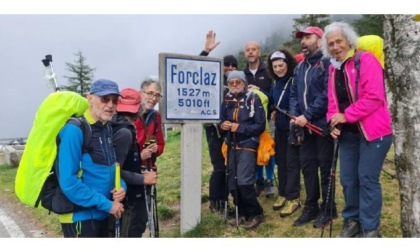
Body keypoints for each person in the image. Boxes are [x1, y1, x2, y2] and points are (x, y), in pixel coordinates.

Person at [323, 21, 393, 238]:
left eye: (339, 41)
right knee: (348, 179)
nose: (335, 47)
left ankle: (371, 228)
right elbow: (332, 104)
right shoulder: (334, 70)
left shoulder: (365, 60)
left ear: (349, 41)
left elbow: (374, 97)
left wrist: (346, 115)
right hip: (349, 135)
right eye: (331, 44)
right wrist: (333, 123)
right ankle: (352, 220)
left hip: (374, 132)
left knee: (367, 178)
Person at [58, 79, 126, 237]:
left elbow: (112, 168)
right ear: (90, 99)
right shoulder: (74, 130)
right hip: (80, 218)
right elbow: (69, 182)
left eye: (114, 101)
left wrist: (122, 188)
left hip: (102, 213)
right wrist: (107, 204)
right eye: (104, 99)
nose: (110, 105)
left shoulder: (106, 128)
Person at [289, 26, 337, 228]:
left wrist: (307, 115)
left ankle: (328, 208)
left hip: (323, 127)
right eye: (302, 38)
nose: (303, 41)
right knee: (308, 168)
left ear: (320, 40)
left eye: (308, 37)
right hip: (305, 128)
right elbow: (294, 94)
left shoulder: (327, 64)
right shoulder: (300, 67)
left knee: (326, 169)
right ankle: (311, 206)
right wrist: (295, 116)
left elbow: (327, 94)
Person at [220, 70, 266, 230]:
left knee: (244, 182)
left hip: (248, 143)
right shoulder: (226, 100)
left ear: (244, 83)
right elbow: (221, 119)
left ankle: (256, 213)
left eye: (237, 82)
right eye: (231, 82)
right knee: (232, 183)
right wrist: (223, 125)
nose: (234, 85)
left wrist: (239, 128)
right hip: (231, 145)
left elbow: (260, 125)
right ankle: (244, 212)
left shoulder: (253, 98)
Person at [110, 88, 158, 237]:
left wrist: (138, 170)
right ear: (139, 108)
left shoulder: (114, 125)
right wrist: (143, 178)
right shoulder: (124, 132)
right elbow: (114, 170)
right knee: (132, 231)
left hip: (124, 194)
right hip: (128, 197)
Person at [199, 30, 238, 213]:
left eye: (233, 66)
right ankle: (216, 203)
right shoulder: (212, 80)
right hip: (215, 130)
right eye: (226, 66)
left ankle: (226, 202)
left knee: (230, 167)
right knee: (220, 168)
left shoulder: (238, 85)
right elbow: (196, 69)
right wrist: (206, 52)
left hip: (233, 131)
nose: (230, 68)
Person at [267, 49, 302, 218]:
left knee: (291, 163)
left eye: (281, 65)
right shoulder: (276, 83)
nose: (279, 69)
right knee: (280, 162)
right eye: (275, 66)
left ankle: (293, 197)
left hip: (292, 128)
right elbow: (274, 101)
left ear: (288, 64)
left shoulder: (294, 80)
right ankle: (283, 193)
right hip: (280, 127)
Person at [243, 40, 275, 197]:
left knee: (268, 149)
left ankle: (270, 181)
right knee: (254, 149)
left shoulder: (268, 71)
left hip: (269, 118)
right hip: (250, 121)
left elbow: (274, 95)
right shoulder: (243, 74)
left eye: (253, 49)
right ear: (244, 53)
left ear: (259, 52)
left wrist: (259, 90)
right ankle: (259, 180)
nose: (250, 52)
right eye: (248, 50)